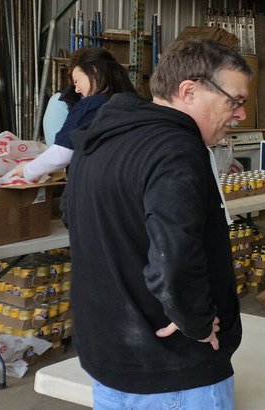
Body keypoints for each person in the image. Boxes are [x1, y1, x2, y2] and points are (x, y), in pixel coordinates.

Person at [64, 40, 250, 407]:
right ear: (189, 91)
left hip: (110, 358)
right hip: (172, 371)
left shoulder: (102, 137)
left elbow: (75, 220)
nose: (241, 115)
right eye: (236, 100)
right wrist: (196, 321)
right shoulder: (176, 149)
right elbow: (174, 255)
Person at [18, 47, 135, 181]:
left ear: (93, 70)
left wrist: (26, 170)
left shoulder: (90, 106)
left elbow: (61, 154)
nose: (77, 89)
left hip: (95, 186)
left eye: (77, 81)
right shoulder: (133, 102)